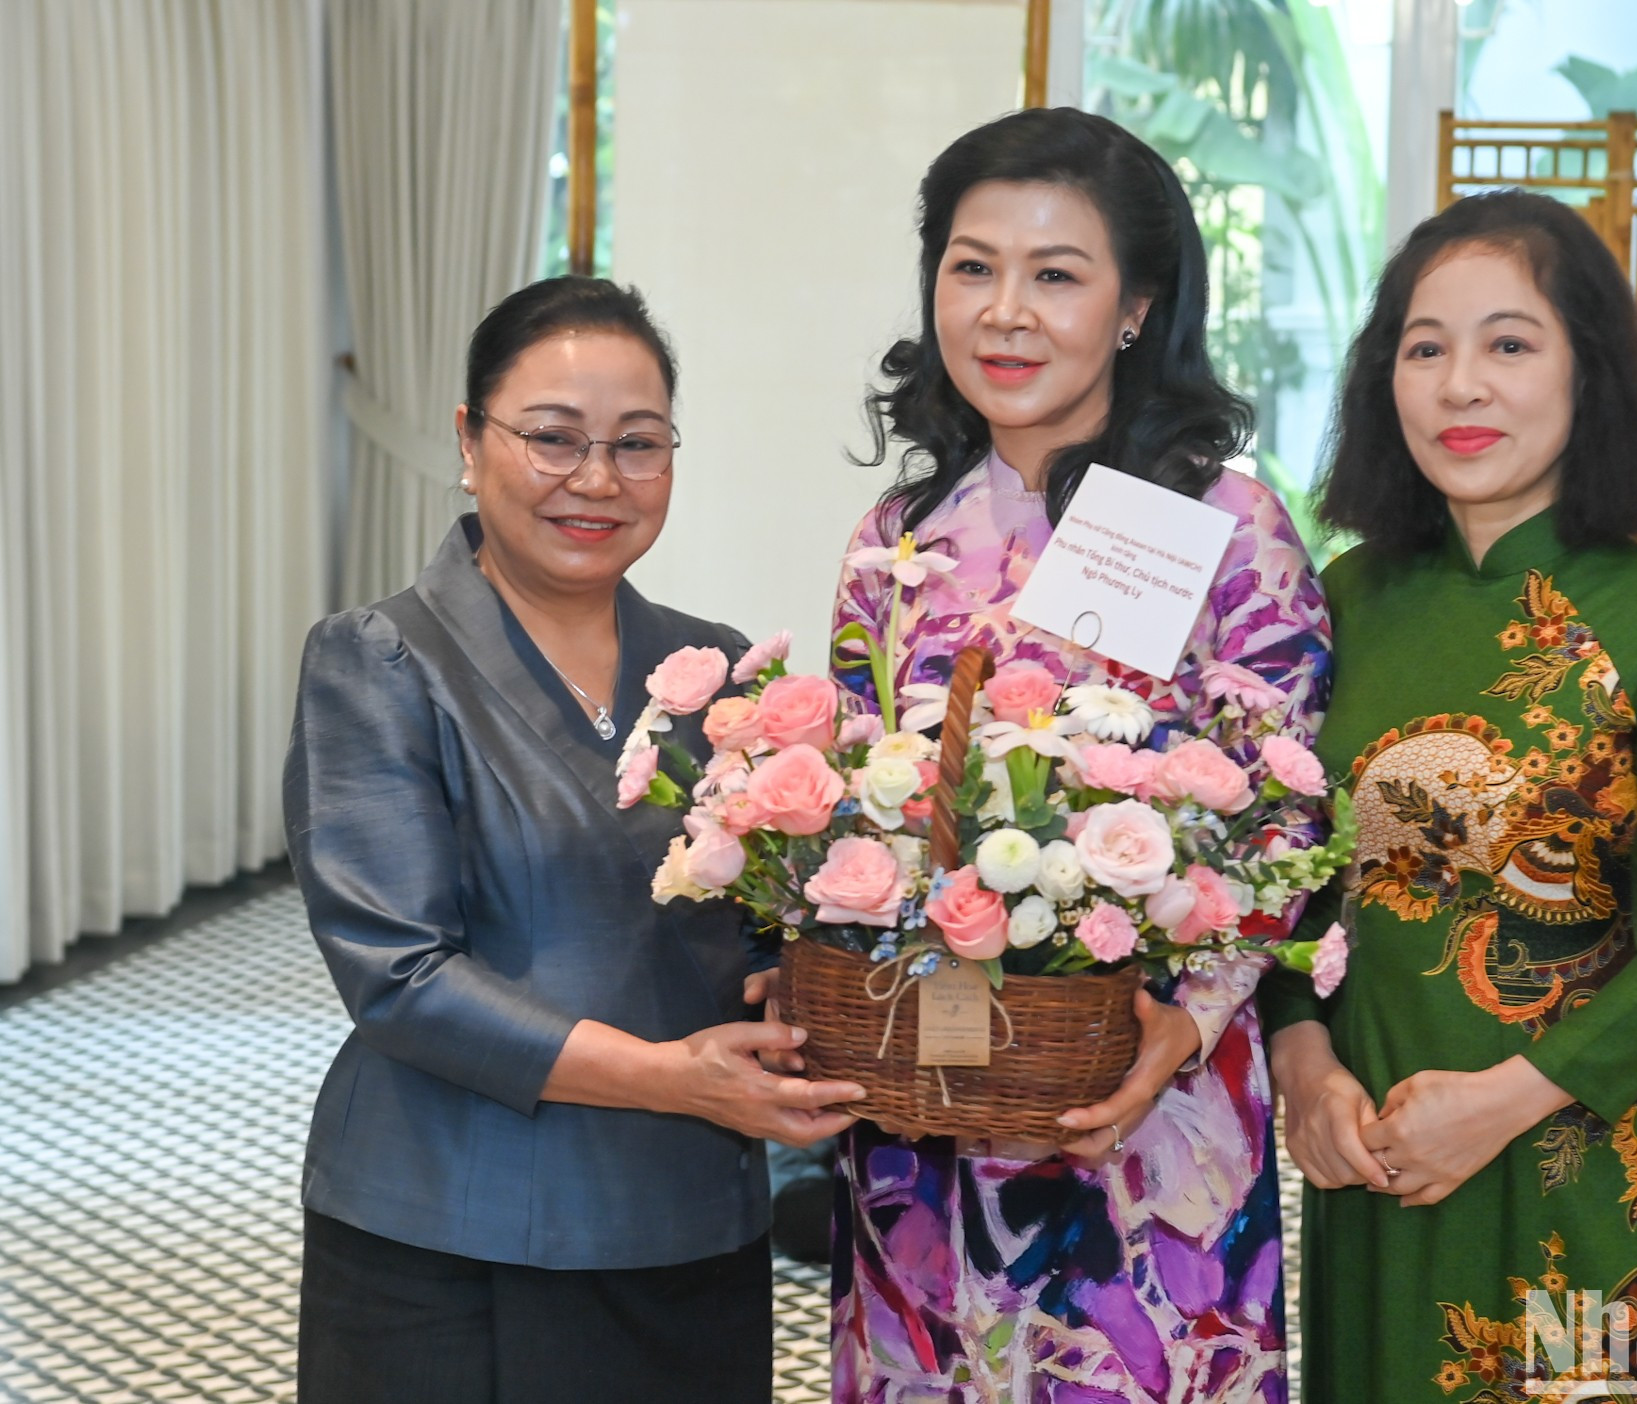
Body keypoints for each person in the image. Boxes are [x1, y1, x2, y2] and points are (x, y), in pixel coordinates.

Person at [827, 108, 1331, 1403]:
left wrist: (1187, 1023)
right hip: (924, 1120)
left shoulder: (1225, 525)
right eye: (972, 266)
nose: (1005, 312)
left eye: (1055, 274)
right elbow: (848, 804)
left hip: (1144, 1116)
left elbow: (1287, 815)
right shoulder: (899, 536)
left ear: (1135, 309)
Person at [285, 276, 863, 1404]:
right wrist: (671, 1078)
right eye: (552, 438)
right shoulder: (381, 659)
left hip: (689, 1216)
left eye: (637, 444)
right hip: (457, 1231)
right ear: (470, 440)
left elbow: (766, 929)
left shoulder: (713, 674)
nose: (597, 480)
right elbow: (400, 977)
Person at [1257, 189, 1637, 1400]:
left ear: (1589, 370)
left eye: (1509, 344)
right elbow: (1281, 875)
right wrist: (1302, 1062)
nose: (1461, 387)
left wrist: (1501, 1104)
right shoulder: (1345, 601)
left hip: (1571, 1149)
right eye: (1424, 349)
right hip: (1369, 1152)